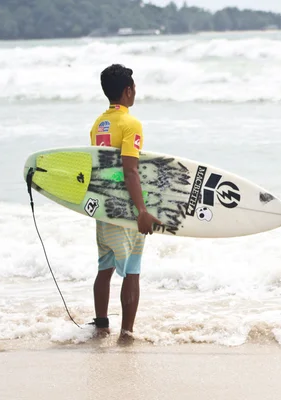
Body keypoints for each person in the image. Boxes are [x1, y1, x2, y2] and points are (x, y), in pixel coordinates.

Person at [89, 64, 161, 342]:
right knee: (132, 271)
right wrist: (142, 210)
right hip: (125, 207)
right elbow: (130, 169)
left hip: (104, 207)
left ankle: (101, 327)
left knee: (104, 267)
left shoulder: (98, 124)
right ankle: (127, 334)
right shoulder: (131, 124)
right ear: (128, 90)